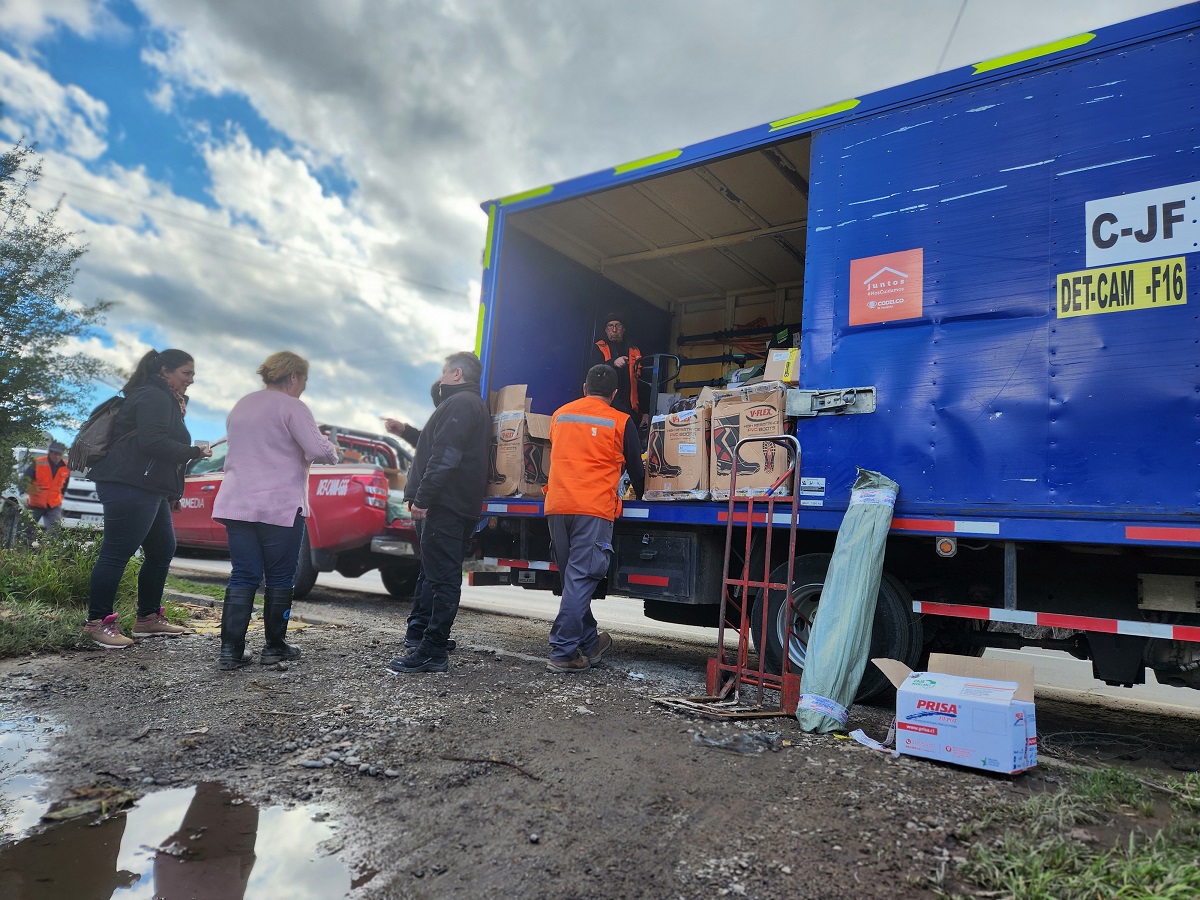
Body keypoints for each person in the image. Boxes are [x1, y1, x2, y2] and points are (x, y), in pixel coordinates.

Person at [212, 352, 339, 670]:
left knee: (243, 573)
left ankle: (231, 651)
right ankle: (274, 647)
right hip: (278, 506)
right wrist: (330, 447)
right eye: (305, 380)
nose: (304, 388)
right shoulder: (293, 407)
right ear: (293, 377)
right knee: (280, 576)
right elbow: (318, 450)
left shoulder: (243, 404)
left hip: (236, 502)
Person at [84, 349, 210, 649]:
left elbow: (156, 448)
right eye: (186, 373)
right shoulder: (154, 396)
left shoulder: (167, 399)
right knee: (117, 553)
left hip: (149, 486)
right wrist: (195, 452)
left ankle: (147, 619)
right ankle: (96, 623)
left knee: (162, 548)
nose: (191, 380)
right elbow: (152, 443)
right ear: (165, 371)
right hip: (129, 484)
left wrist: (171, 493)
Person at [386, 352, 489, 675]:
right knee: (435, 573)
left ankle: (431, 649)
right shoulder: (465, 405)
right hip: (452, 505)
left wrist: (423, 499)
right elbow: (438, 449)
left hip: (445, 505)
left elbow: (445, 457)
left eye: (444, 372)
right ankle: (424, 636)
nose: (441, 377)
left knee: (442, 578)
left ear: (457, 374)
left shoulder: (460, 405)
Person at [543, 364, 645, 673]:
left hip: (558, 505)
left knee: (572, 580)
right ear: (614, 394)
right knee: (580, 579)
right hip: (593, 508)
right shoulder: (620, 420)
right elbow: (636, 469)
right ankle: (562, 652)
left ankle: (589, 643)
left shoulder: (560, 415)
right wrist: (643, 495)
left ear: (584, 388)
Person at [590, 311, 649, 429]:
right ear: (606, 330)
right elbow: (592, 373)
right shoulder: (599, 348)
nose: (614, 329)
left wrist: (646, 412)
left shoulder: (635, 351)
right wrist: (613, 363)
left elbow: (643, 384)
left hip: (630, 411)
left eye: (618, 325)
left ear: (623, 329)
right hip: (606, 410)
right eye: (610, 326)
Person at [22, 441, 70, 528]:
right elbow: (25, 479)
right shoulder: (37, 463)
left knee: (55, 531)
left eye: (60, 454)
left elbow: (64, 486)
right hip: (35, 503)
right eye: (55, 454)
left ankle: (51, 542)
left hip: (54, 504)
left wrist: (60, 497)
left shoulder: (66, 467)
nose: (57, 457)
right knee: (27, 530)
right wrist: (24, 494)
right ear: (50, 452)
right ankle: (25, 541)